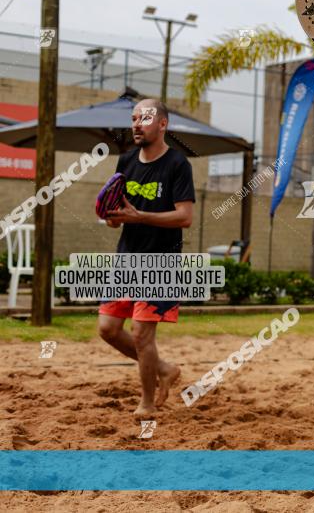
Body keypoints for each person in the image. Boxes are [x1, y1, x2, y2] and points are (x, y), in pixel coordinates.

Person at [99, 99, 194, 419]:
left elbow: (185, 217)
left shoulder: (177, 164)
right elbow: (118, 214)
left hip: (161, 262)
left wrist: (139, 216)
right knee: (108, 329)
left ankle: (147, 403)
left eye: (146, 118)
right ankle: (164, 368)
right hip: (127, 257)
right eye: (134, 118)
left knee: (141, 334)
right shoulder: (125, 161)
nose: (137, 124)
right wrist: (112, 217)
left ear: (163, 124)